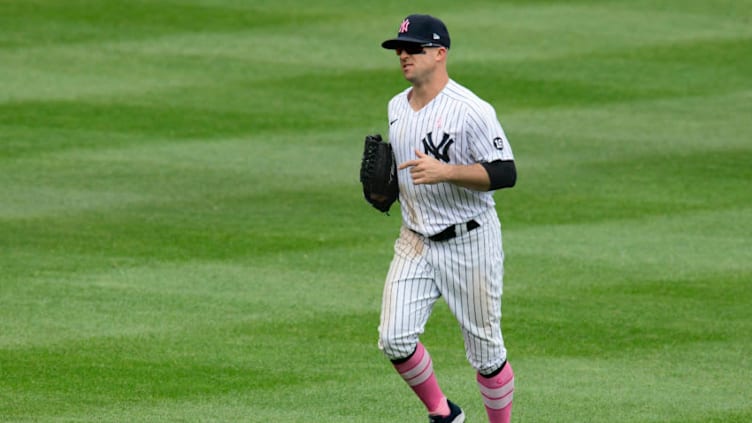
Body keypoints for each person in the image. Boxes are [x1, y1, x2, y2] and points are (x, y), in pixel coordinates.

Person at [377, 14, 518, 423]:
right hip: (415, 240)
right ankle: (445, 415)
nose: (404, 55)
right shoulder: (395, 107)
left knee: (486, 354)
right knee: (394, 338)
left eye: (413, 49)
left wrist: (447, 171)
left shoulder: (471, 110)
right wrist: (388, 191)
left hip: (469, 241)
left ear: (439, 54)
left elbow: (506, 172)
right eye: (399, 49)